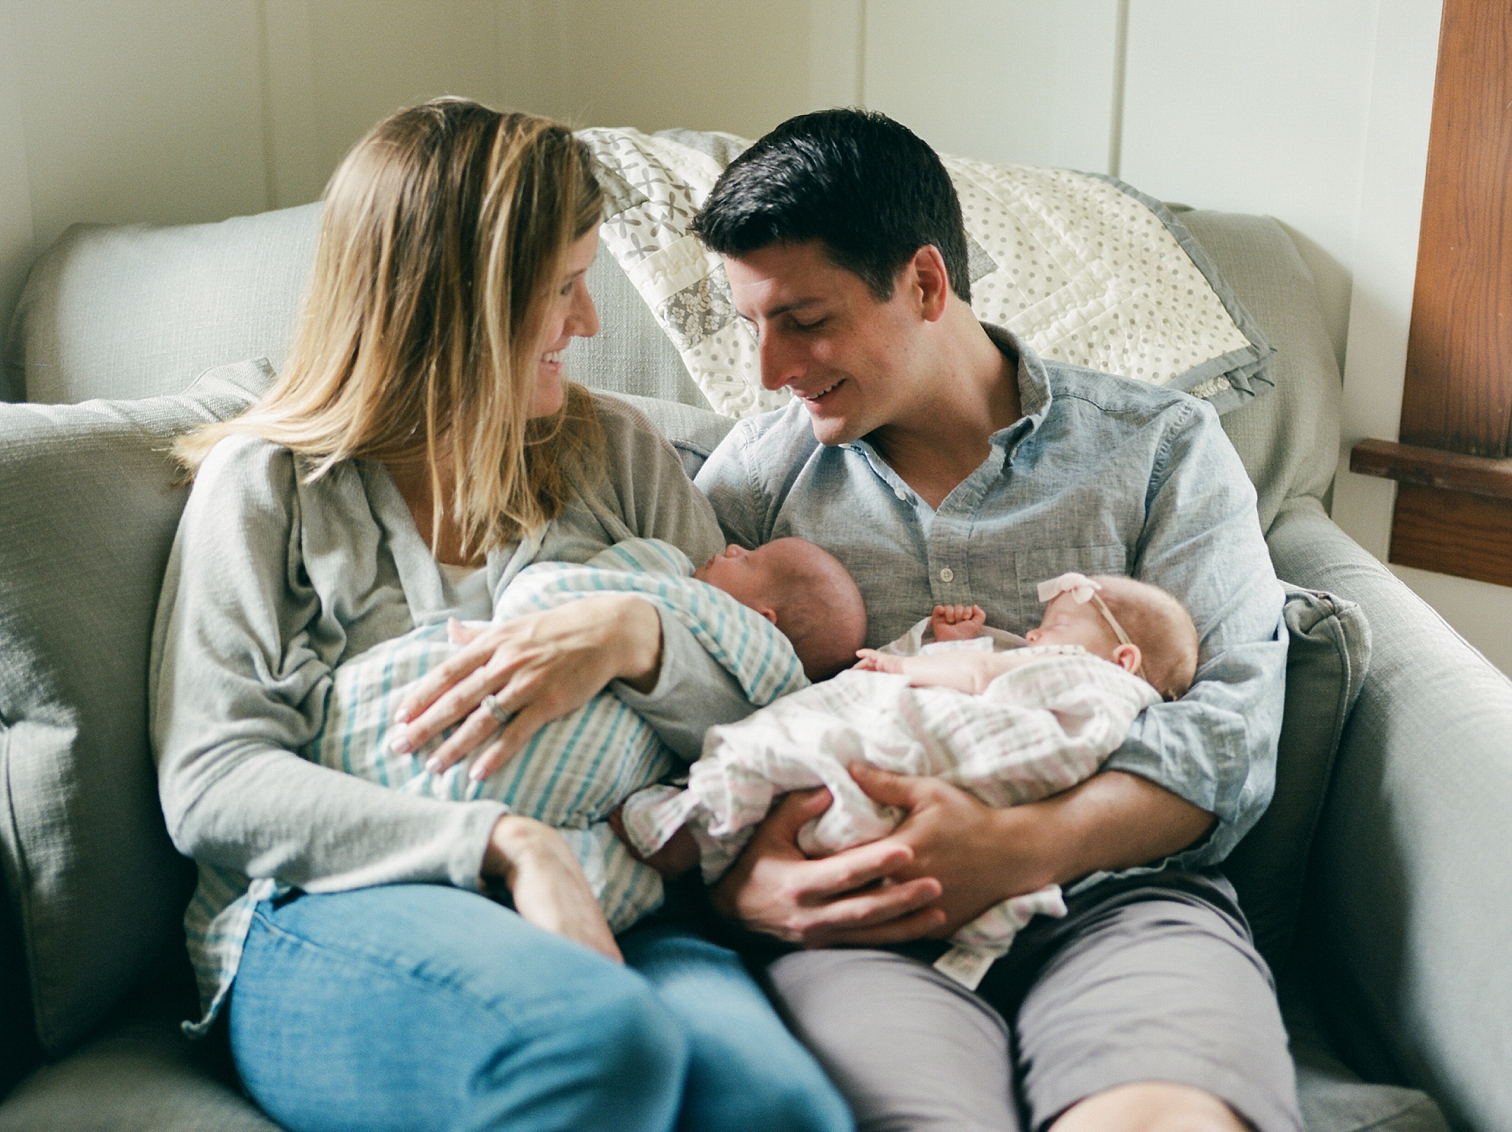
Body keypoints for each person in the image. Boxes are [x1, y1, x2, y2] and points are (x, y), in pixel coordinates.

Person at [149, 99, 853, 1132]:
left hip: (626, 898)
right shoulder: (271, 487)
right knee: (597, 1045)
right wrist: (504, 841)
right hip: (340, 903)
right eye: (564, 288)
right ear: (455, 301)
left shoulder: (617, 453)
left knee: (779, 1111)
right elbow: (213, 785)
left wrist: (639, 641)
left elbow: (761, 728)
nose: (590, 324)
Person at [691, 108, 1297, 1132]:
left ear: (925, 284)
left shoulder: (1159, 449)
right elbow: (674, 728)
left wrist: (1018, 846)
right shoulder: (756, 480)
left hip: (1121, 899)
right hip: (866, 919)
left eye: (804, 319)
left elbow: (1233, 735)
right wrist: (747, 891)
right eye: (751, 326)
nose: (771, 370)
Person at [620, 571, 1197, 990]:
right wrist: (955, 650)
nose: (1032, 638)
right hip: (951, 841)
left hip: (951, 817)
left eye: (1053, 629)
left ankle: (673, 832)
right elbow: (993, 695)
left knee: (812, 742)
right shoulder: (1131, 717)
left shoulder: (1080, 673)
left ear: (1122, 658)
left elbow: (982, 676)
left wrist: (904, 665)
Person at [303, 533, 865, 934]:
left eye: (753, 558)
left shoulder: (681, 581)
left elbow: (539, 598)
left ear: (764, 620)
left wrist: (634, 630)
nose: (734, 545)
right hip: (502, 844)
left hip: (474, 813)